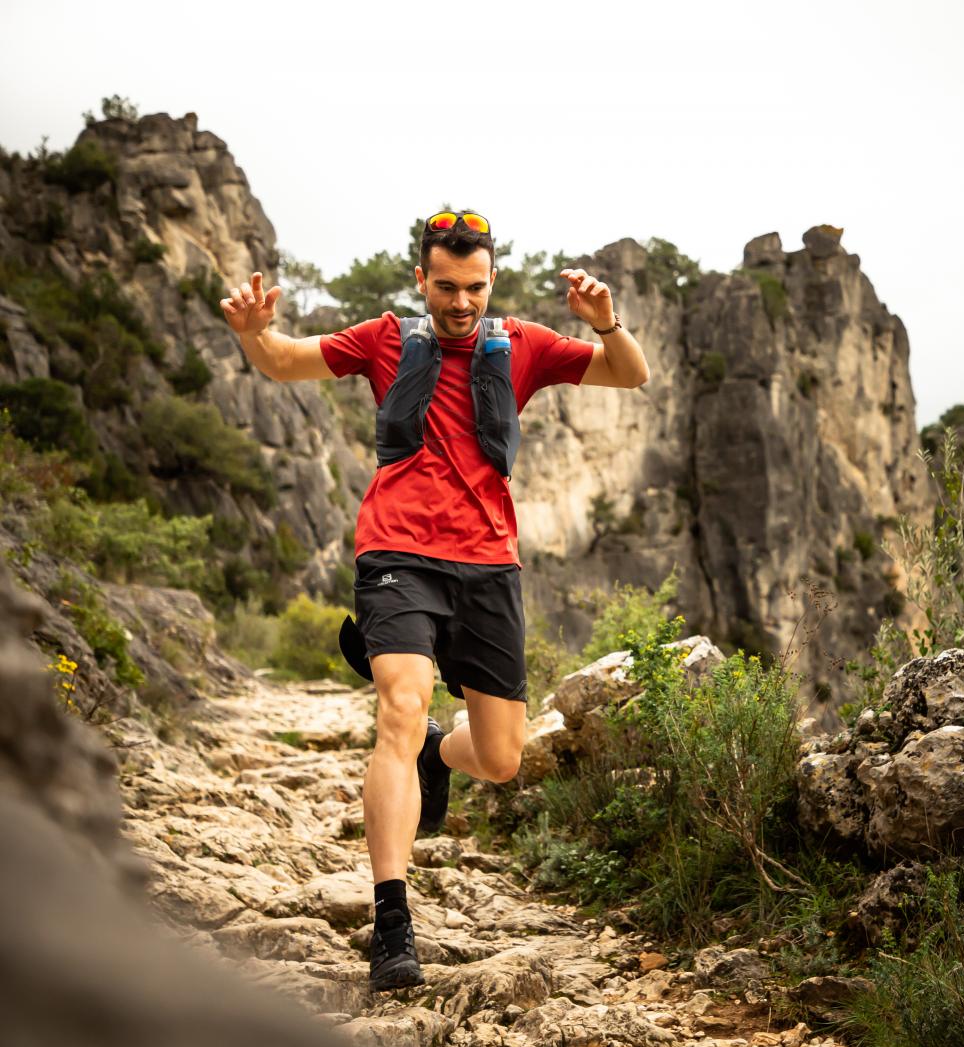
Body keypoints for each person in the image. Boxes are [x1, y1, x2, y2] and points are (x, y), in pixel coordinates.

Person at [220, 210, 649, 992]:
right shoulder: (384, 339)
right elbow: (282, 361)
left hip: (488, 565)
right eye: (446, 287)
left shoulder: (523, 345)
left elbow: (630, 373)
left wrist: (604, 321)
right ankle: (393, 924)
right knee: (400, 705)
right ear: (422, 280)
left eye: (474, 287)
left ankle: (436, 751)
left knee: (502, 757)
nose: (461, 302)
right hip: (397, 553)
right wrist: (255, 332)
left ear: (492, 281)